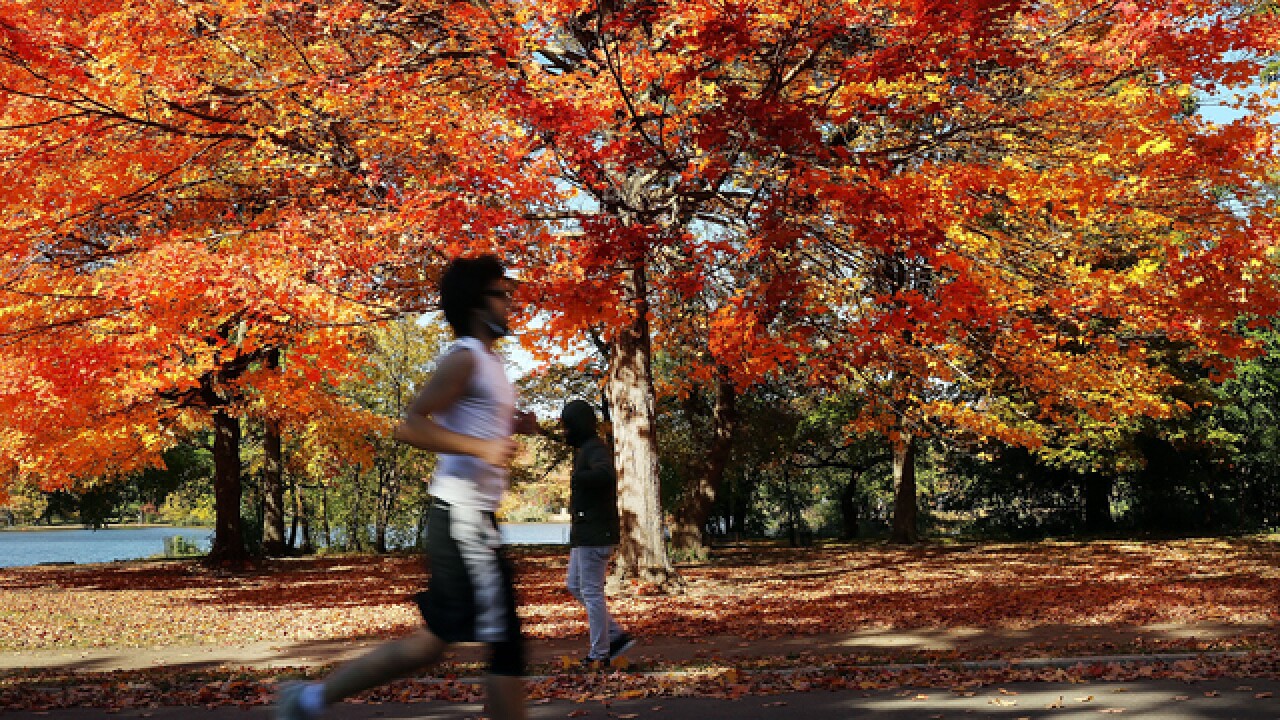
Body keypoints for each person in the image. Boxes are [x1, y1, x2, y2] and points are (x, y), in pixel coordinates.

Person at [276, 254, 536, 720]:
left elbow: (475, 417)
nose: (509, 301)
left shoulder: (489, 361)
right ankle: (307, 700)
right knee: (506, 643)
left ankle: (307, 700)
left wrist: (514, 422)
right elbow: (411, 425)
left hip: (470, 517)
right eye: (501, 294)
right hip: (464, 518)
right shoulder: (464, 358)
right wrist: (481, 449)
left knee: (433, 642)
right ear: (478, 305)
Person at [560, 399, 635, 667]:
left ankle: (600, 654)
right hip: (585, 535)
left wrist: (579, 479)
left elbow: (605, 475)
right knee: (574, 585)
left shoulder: (595, 450)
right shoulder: (586, 449)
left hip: (596, 534)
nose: (565, 433)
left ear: (578, 426)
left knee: (591, 592)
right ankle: (614, 635)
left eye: (568, 427)